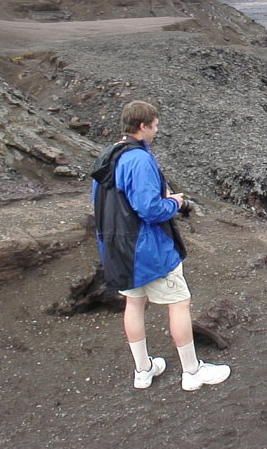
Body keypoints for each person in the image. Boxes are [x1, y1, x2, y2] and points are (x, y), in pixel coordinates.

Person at [91, 100, 231, 391]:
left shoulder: (110, 155)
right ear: (142, 126)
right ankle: (192, 372)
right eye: (154, 125)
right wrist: (174, 202)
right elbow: (150, 209)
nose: (157, 130)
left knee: (134, 302)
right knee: (179, 303)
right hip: (147, 249)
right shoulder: (139, 160)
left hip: (117, 247)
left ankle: (143, 370)